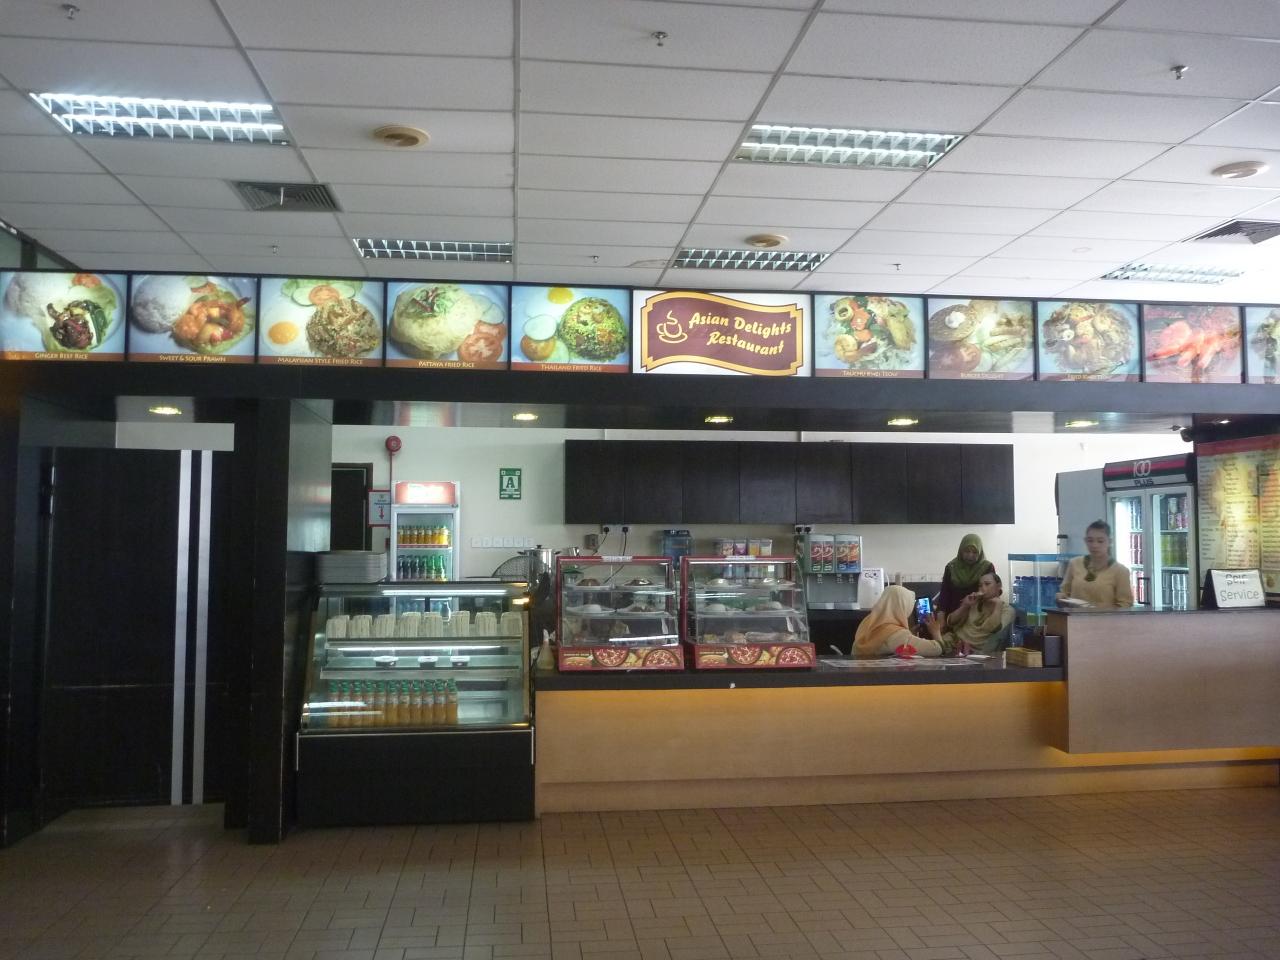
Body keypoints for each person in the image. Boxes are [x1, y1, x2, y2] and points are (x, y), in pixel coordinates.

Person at [925, 571, 1015, 656]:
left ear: (998, 586)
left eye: (987, 584)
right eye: (980, 585)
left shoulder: (1007, 610)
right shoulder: (975, 602)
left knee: (932, 647)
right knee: (925, 647)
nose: (983, 588)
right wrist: (965, 606)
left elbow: (991, 628)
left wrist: (998, 604)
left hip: (972, 651)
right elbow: (951, 622)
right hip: (953, 641)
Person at [1056, 519, 1134, 609]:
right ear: (1085, 541)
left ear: (1110, 542)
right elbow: (1064, 593)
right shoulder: (1075, 564)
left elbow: (1125, 604)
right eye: (1090, 540)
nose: (1094, 545)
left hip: (1105, 617)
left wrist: (1099, 607)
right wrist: (1061, 598)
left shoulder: (1120, 571)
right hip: (1075, 617)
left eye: (1100, 541)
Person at [853, 584, 943, 658]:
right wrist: (936, 632)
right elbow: (936, 649)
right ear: (903, 607)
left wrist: (910, 635)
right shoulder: (896, 634)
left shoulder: (867, 622)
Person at [937, 533, 996, 615]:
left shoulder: (987, 567)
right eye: (967, 551)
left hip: (978, 615)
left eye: (975, 552)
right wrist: (940, 616)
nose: (970, 555)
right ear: (961, 551)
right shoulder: (951, 567)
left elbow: (992, 593)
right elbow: (944, 595)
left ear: (980, 552)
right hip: (953, 615)